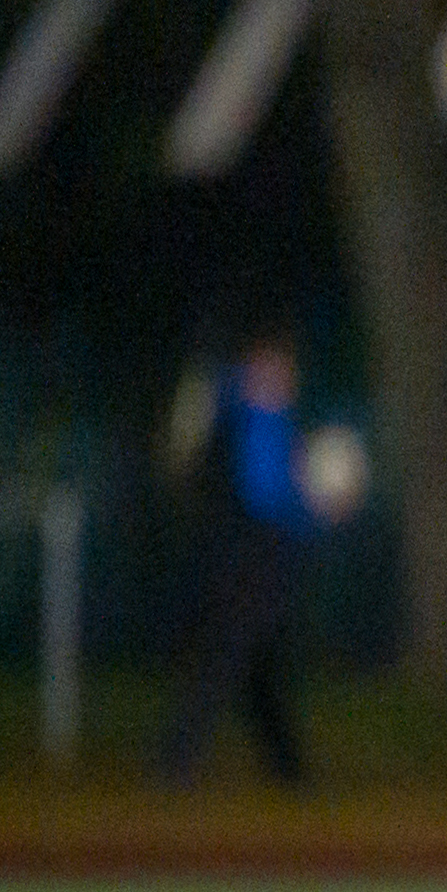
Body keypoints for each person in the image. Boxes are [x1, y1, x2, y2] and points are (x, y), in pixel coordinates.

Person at [155, 327, 321, 787]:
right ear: (254, 367)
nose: (285, 379)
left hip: (266, 553)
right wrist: (312, 504)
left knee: (259, 662)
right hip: (248, 556)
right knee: (228, 655)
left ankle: (287, 770)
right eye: (274, 368)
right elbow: (266, 493)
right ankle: (177, 759)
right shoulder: (239, 414)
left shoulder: (271, 418)